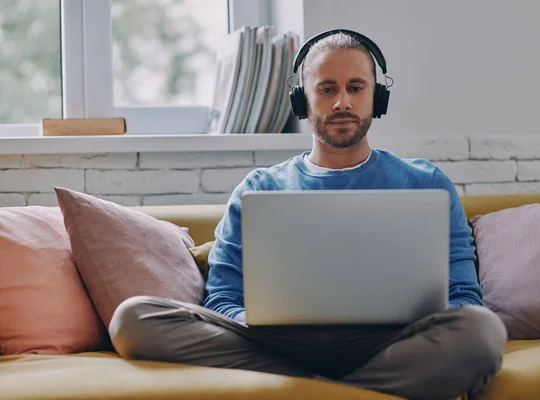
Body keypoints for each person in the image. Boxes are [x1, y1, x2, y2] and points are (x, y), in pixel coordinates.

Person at [109, 29, 507, 400]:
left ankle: (303, 389)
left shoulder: (426, 181)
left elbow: (463, 296)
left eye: (356, 88)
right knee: (134, 319)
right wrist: (263, 321)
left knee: (482, 332)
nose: (342, 103)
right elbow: (223, 298)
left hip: (391, 342)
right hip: (277, 343)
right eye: (327, 89)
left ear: (377, 98)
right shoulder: (258, 189)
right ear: (302, 100)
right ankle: (348, 391)